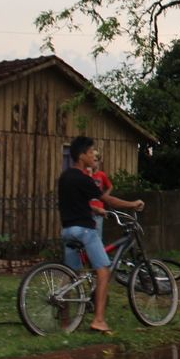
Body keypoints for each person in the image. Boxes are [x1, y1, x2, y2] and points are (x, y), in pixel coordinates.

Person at [59, 136, 143, 334]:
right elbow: (108, 200)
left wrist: (95, 210)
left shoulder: (65, 177)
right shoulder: (84, 179)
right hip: (85, 231)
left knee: (71, 275)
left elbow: (74, 202)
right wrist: (133, 204)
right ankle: (98, 320)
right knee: (103, 271)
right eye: (90, 152)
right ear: (81, 156)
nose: (93, 156)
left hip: (67, 231)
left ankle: (65, 322)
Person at [87, 157, 113, 239]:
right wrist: (89, 174)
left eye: (95, 160)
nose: (93, 162)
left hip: (98, 209)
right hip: (87, 208)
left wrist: (105, 197)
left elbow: (110, 186)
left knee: (98, 235)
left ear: (99, 162)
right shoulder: (86, 174)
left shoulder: (101, 175)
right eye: (91, 160)